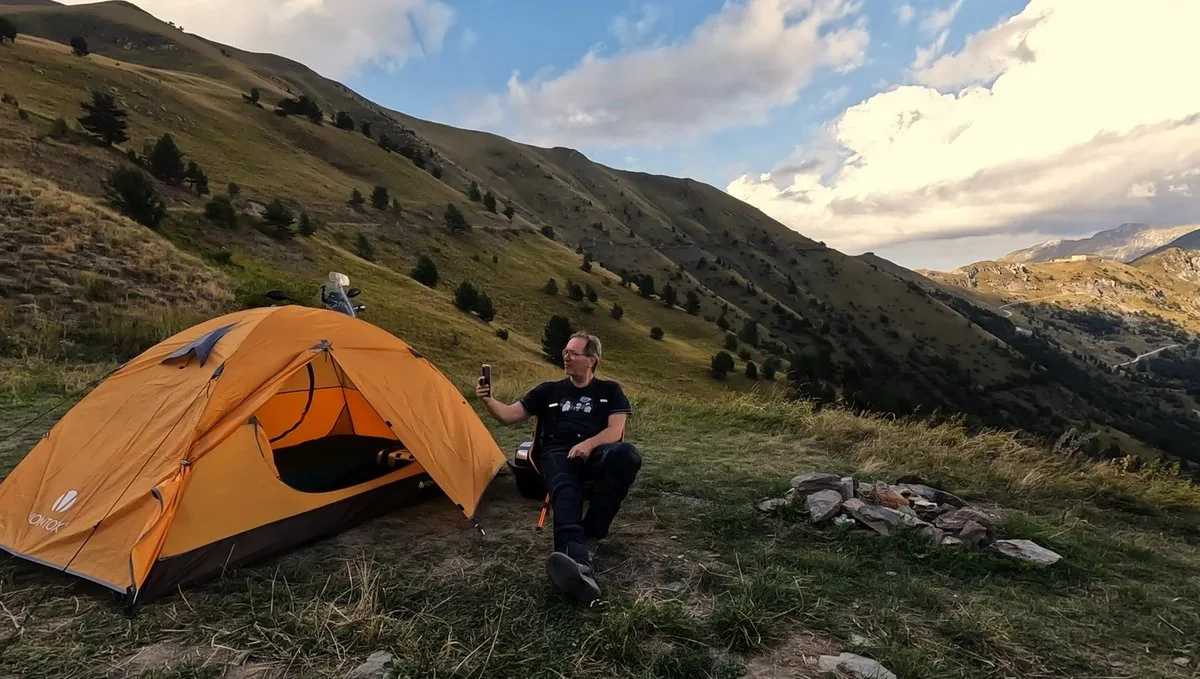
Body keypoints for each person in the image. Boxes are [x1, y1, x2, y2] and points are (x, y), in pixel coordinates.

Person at [474, 331, 642, 605]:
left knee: (628, 456)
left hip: (597, 451)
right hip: (556, 452)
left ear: (591, 360)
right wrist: (488, 400)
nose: (566, 356)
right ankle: (577, 565)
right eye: (565, 351)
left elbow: (615, 430)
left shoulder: (610, 391)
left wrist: (588, 445)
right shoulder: (548, 390)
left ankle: (591, 533)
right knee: (565, 487)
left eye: (573, 353)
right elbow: (508, 415)